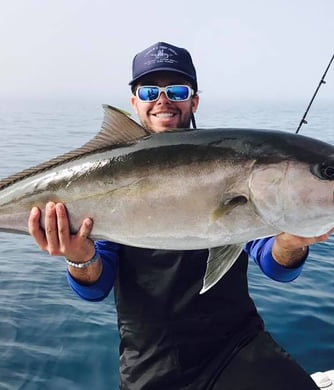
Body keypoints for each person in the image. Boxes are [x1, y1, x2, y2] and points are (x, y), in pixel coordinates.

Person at [28, 42, 330, 389]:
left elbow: (275, 264)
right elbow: (95, 288)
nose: (163, 99)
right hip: (151, 362)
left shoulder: (234, 162)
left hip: (235, 346)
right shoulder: (106, 173)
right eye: (149, 90)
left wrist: (291, 241)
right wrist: (79, 259)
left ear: (194, 100)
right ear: (134, 102)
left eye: (176, 90)